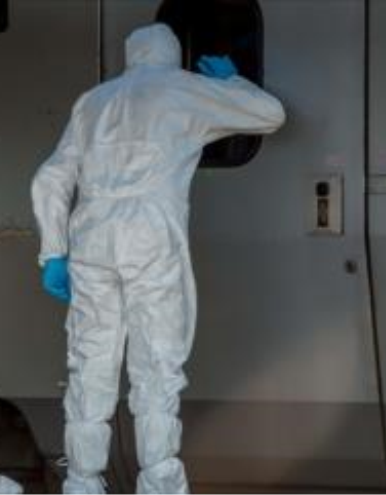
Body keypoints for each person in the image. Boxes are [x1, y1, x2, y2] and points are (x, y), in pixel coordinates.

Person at [31, 23, 286, 495]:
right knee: (156, 366)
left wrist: (54, 252)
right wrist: (233, 82)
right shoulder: (184, 89)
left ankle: (83, 482)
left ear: (132, 56)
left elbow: (50, 179)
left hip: (91, 242)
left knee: (90, 363)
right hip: (151, 239)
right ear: (171, 55)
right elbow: (270, 115)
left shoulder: (93, 101)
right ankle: (160, 482)